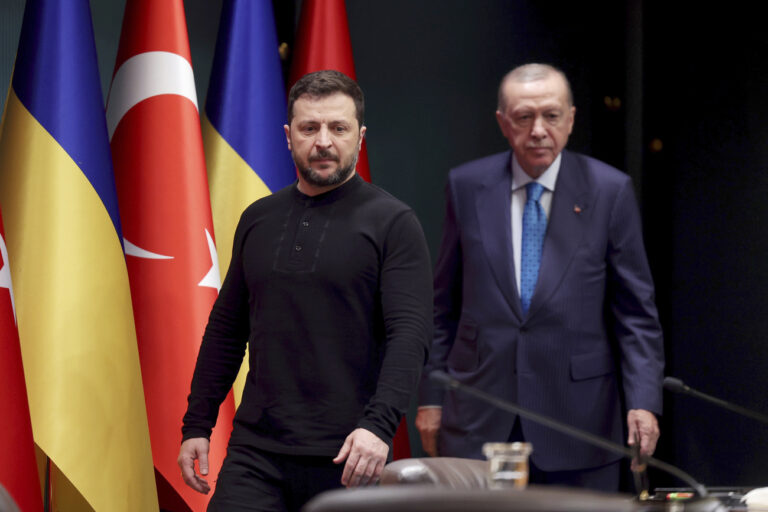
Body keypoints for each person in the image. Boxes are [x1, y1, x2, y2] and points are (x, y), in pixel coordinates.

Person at [178, 70, 433, 511]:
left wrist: (379, 427)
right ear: (288, 135)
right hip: (256, 451)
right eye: (309, 127)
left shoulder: (394, 223)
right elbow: (226, 329)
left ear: (360, 136)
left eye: (339, 128)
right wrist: (197, 424)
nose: (323, 141)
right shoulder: (258, 218)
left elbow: (409, 335)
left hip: (352, 455)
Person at [415, 63, 664, 491]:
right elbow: (443, 307)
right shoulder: (466, 186)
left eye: (551, 115)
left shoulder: (609, 191)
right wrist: (431, 398)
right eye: (524, 117)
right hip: (480, 418)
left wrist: (643, 401)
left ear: (571, 118)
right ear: (502, 122)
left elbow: (636, 314)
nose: (538, 130)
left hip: (579, 420)